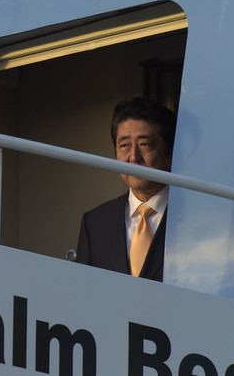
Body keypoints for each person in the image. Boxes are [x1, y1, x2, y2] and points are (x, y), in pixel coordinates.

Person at [75, 97, 177, 281]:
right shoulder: (96, 222)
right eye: (124, 146)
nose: (133, 157)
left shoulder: (196, 217)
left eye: (144, 145)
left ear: (170, 153)